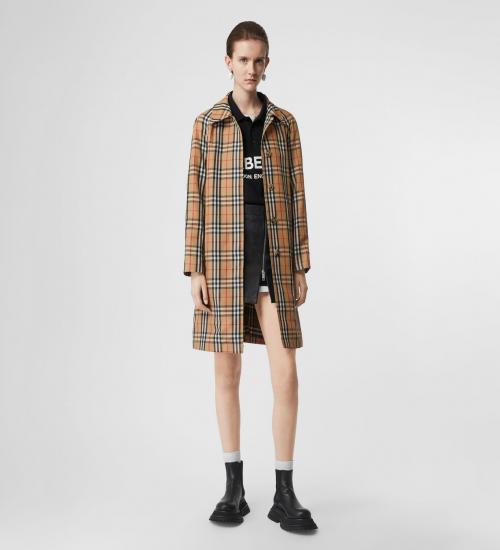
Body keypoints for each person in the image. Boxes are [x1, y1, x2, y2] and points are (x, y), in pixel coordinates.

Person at [183, 21, 317, 532]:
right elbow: (195, 197)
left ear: (267, 63)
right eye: (243, 59)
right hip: (221, 259)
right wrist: (194, 266)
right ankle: (233, 487)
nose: (251, 69)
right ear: (228, 62)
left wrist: (300, 262)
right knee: (227, 375)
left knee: (286, 376)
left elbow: (298, 196)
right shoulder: (208, 124)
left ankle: (284, 492)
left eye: (259, 60)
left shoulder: (285, 124)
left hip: (274, 259)